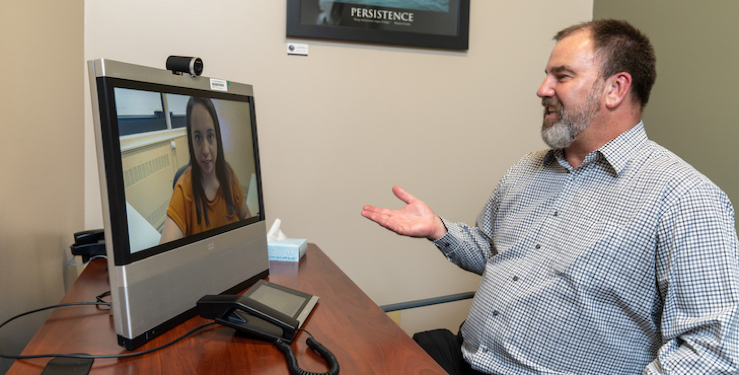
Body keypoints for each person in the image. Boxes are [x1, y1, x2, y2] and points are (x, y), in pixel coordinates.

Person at [362, 19, 739, 375]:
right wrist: (439, 229)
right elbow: (496, 255)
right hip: (464, 358)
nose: (543, 89)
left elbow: (713, 352)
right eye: (547, 75)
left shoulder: (686, 199)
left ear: (615, 89)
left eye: (562, 76)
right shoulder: (527, 169)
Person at [160, 96, 251, 243]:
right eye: (198, 138)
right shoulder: (183, 191)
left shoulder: (228, 174)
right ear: (191, 141)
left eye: (210, 136)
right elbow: (164, 257)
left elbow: (246, 215)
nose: (205, 150)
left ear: (217, 138)